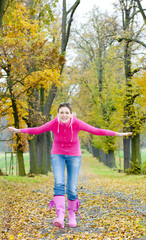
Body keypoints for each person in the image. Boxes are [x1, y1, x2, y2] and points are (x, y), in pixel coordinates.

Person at [8, 102, 132, 229]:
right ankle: (60, 216)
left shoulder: (77, 123)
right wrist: (19, 130)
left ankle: (72, 214)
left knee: (71, 188)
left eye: (67, 112)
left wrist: (118, 134)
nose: (64, 115)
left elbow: (96, 131)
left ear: (71, 114)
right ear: (58, 114)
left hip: (74, 155)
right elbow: (37, 130)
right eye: (61, 112)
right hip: (58, 154)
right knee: (59, 184)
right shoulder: (54, 123)